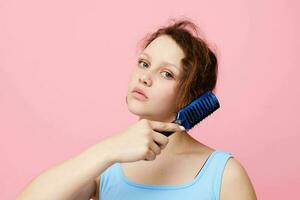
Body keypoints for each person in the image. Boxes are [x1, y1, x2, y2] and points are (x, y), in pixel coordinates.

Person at [16, 18, 257, 200]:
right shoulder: (107, 166)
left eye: (166, 73)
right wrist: (108, 150)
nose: (145, 77)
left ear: (192, 96)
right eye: (144, 63)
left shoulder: (225, 175)